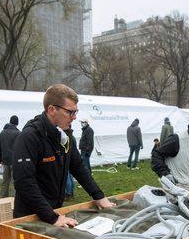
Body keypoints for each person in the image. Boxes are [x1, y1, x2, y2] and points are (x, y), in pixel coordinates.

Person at [12, 83, 115, 227]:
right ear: (52, 109)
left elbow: (78, 167)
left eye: (76, 112)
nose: (74, 117)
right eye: (70, 112)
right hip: (31, 218)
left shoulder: (64, 135)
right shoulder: (30, 137)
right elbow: (24, 182)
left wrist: (99, 196)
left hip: (54, 212)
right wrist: (52, 217)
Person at [0, 115, 21, 198]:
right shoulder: (18, 133)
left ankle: (3, 199)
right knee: (16, 182)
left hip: (5, 161)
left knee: (5, 182)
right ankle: (15, 199)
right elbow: (21, 148)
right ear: (17, 123)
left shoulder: (2, 133)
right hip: (15, 161)